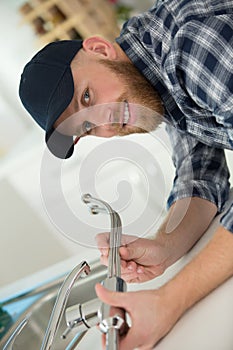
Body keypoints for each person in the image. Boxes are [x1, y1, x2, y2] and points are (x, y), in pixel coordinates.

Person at [19, 0, 233, 348]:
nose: (105, 122)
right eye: (86, 126)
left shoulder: (189, 47)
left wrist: (170, 300)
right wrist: (165, 246)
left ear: (100, 49)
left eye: (87, 97)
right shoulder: (154, 82)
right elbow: (201, 174)